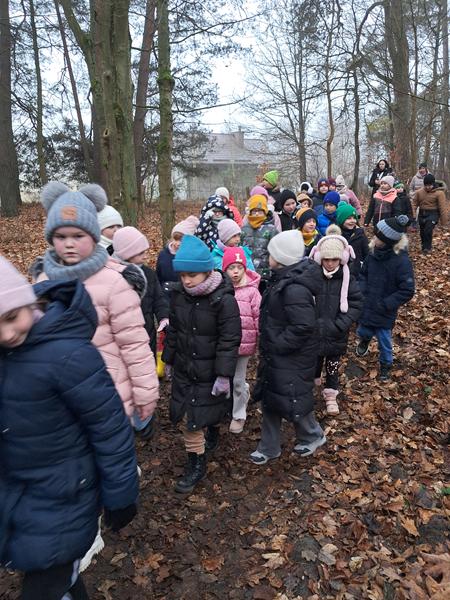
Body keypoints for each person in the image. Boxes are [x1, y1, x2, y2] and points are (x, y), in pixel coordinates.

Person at [0, 256, 139, 600]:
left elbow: (109, 428)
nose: (6, 334)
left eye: (11, 317)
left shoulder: (69, 354)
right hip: (17, 490)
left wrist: (121, 493)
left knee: (46, 578)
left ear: (28, 303)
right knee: (54, 573)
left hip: (66, 493)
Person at [34, 181, 159, 424]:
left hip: (107, 394)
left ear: (94, 237)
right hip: (57, 400)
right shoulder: (43, 280)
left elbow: (134, 343)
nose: (69, 243)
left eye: (78, 236)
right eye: (61, 236)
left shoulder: (115, 282)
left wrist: (145, 392)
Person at [162, 235, 241, 493]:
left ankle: (213, 429)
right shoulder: (179, 296)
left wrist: (223, 375)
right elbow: (174, 330)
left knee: (208, 409)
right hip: (186, 368)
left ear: (207, 271)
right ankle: (196, 462)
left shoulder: (223, 300)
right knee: (190, 418)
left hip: (210, 371)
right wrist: (169, 359)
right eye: (183, 275)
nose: (186, 280)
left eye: (192, 275)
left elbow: (229, 339)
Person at [250, 230, 326, 464]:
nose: (268, 257)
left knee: (292, 398)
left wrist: (279, 344)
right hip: (276, 354)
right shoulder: (280, 280)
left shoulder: (294, 288)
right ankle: (269, 447)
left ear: (281, 258)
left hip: (291, 357)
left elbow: (303, 326)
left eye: (271, 254)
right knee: (271, 398)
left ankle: (312, 435)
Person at [112, 226, 169, 440]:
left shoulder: (148, 274)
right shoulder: (113, 275)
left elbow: (158, 298)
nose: (146, 255)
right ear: (127, 252)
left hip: (145, 334)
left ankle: (143, 419)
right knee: (123, 378)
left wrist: (163, 317)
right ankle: (125, 416)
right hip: (120, 338)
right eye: (141, 252)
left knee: (144, 375)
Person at [356, 215, 415, 381]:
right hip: (368, 304)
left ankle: (386, 365)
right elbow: (363, 275)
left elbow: (407, 290)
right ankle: (365, 340)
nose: (373, 238)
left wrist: (387, 304)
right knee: (363, 330)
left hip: (384, 311)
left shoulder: (401, 262)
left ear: (387, 241)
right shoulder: (372, 254)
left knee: (384, 341)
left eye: (377, 236)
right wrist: (362, 290)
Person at [310, 231, 363, 415]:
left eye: (334, 259)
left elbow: (356, 304)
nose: (330, 263)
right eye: (326, 259)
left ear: (341, 259)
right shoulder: (313, 277)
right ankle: (313, 383)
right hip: (315, 332)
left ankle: (331, 394)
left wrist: (341, 324)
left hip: (336, 333)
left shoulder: (348, 279)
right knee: (314, 361)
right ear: (320, 258)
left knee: (332, 366)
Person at [222, 246, 261, 434]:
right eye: (231, 268)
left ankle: (238, 414)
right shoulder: (221, 291)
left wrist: (261, 339)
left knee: (238, 380)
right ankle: (231, 401)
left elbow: (258, 316)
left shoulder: (252, 292)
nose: (235, 272)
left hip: (245, 344)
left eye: (239, 267)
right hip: (224, 345)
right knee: (225, 378)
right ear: (225, 269)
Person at [241, 194, 279, 287]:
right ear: (250, 212)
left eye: (260, 211)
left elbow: (275, 251)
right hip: (247, 273)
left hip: (265, 274)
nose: (257, 214)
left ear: (265, 212)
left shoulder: (271, 229)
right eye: (254, 211)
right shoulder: (244, 229)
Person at [156, 216, 199, 295]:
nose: (177, 243)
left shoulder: (192, 258)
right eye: (175, 239)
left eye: (181, 240)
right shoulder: (163, 254)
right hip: (164, 294)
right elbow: (158, 277)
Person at [413, 174, 449, 254]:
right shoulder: (419, 192)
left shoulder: (439, 193)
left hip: (433, 214)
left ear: (433, 184)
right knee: (422, 232)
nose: (428, 187)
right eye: (426, 185)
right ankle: (424, 246)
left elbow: (442, 207)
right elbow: (414, 204)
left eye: (430, 185)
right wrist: (414, 214)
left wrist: (444, 221)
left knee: (428, 230)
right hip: (422, 213)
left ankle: (427, 248)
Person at [335, 204, 368, 277]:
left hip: (357, 273)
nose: (352, 221)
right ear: (341, 220)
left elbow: (366, 253)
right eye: (349, 218)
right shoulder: (336, 236)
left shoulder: (360, 235)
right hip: (339, 272)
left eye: (354, 218)